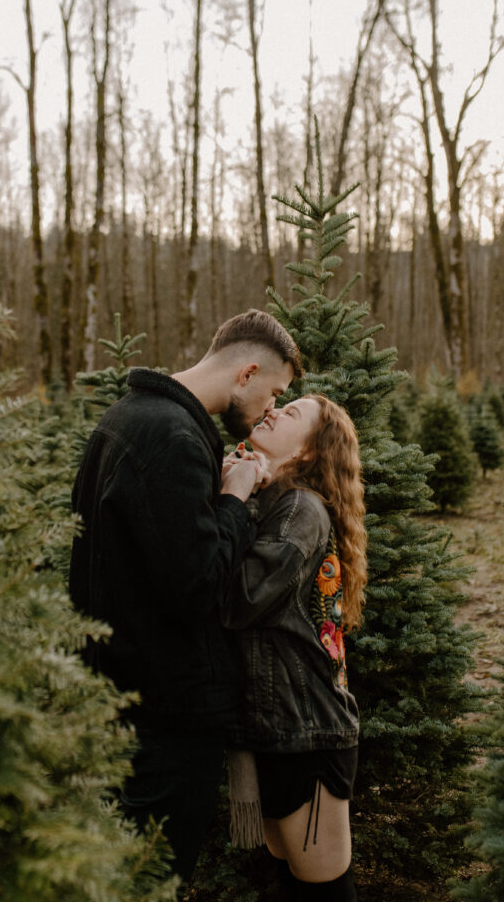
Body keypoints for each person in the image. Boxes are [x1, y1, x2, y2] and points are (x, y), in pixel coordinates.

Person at [68, 309, 303, 882]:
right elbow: (198, 586)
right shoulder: (174, 437)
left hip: (120, 695)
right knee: (149, 880)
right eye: (275, 393)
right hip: (165, 717)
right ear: (246, 373)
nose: (271, 410)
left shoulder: (127, 417)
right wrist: (234, 499)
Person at [221, 394, 367, 901]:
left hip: (307, 732)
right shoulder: (276, 500)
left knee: (325, 891)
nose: (275, 411)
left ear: (307, 453)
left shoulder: (300, 509)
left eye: (293, 414)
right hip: (275, 726)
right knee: (292, 887)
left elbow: (238, 601)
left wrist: (230, 503)